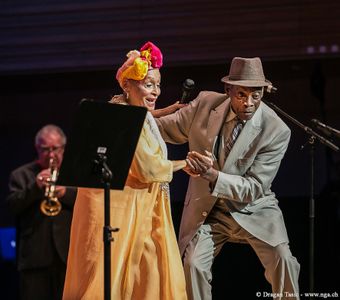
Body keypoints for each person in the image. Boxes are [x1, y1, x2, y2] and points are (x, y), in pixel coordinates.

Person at [156, 57, 300, 300]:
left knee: (283, 259)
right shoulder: (204, 104)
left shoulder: (276, 130)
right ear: (228, 90)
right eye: (242, 94)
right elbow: (160, 129)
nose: (249, 103)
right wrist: (131, 110)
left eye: (256, 95)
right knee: (192, 264)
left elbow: (254, 188)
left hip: (255, 209)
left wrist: (212, 174)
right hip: (210, 211)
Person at [63, 41, 188, 300]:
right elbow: (148, 168)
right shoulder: (121, 118)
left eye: (158, 84)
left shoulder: (131, 112)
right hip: (121, 211)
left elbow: (141, 118)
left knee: (145, 275)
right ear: (127, 85)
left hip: (143, 208)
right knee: (115, 275)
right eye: (148, 84)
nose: (156, 91)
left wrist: (164, 111)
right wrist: (186, 164)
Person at [6, 124, 77, 300]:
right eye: (45, 149)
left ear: (64, 147)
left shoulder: (74, 173)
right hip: (34, 258)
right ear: (37, 148)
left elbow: (89, 204)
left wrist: (65, 192)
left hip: (67, 256)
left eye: (55, 149)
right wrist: (35, 187)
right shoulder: (21, 175)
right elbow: (12, 206)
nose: (51, 154)